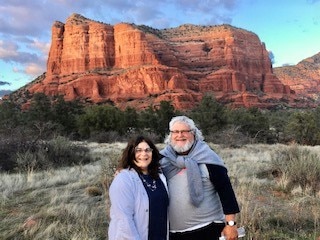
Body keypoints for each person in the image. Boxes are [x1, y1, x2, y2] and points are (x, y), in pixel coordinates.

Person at [160, 116, 240, 240]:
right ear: (170, 135)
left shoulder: (209, 158)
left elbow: (226, 193)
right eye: (175, 132)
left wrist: (231, 224)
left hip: (208, 230)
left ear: (194, 133)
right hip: (172, 233)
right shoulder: (162, 160)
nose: (179, 135)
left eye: (184, 131)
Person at [108, 135, 169, 240]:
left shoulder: (159, 176)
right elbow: (124, 219)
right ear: (131, 153)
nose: (143, 154)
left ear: (152, 153)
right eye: (138, 150)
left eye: (147, 150)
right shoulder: (124, 179)